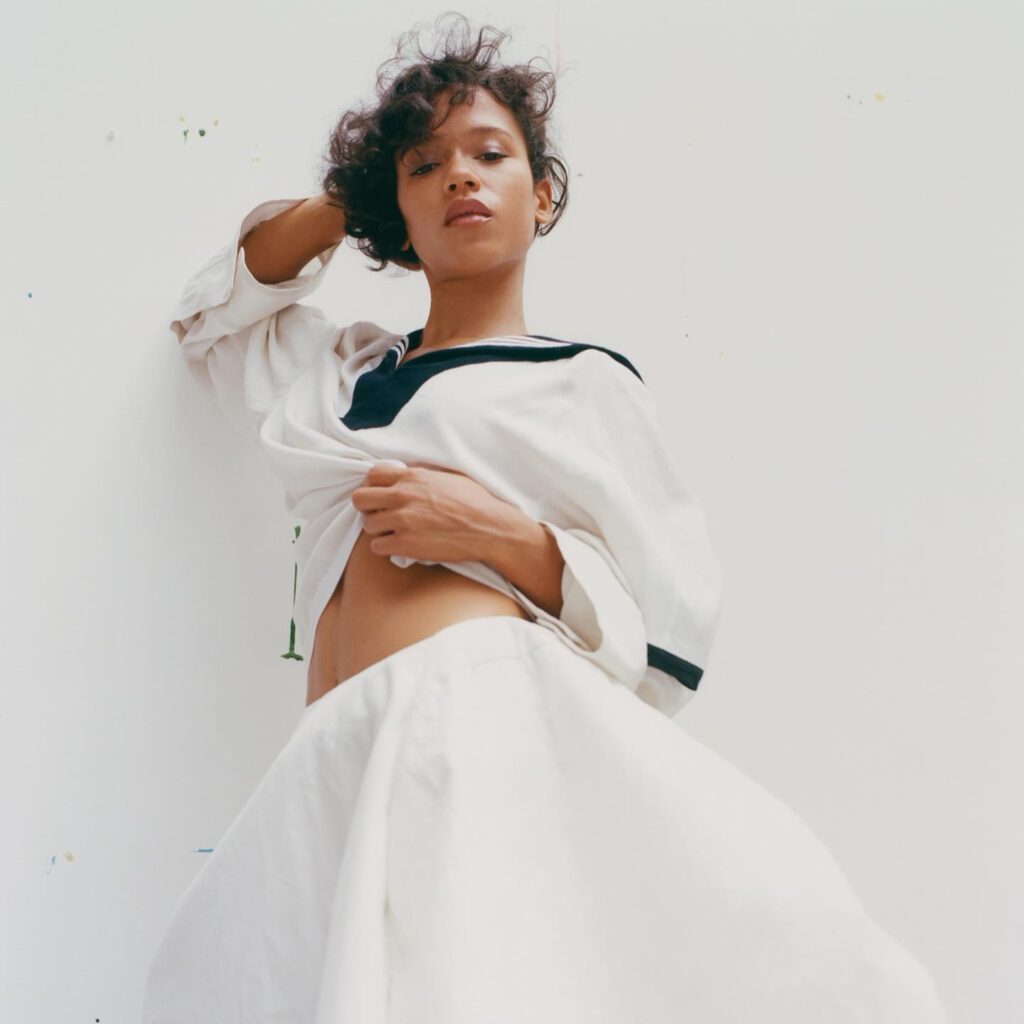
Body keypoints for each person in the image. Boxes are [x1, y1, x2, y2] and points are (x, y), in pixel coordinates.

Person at [141, 14, 949, 1023]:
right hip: (338, 757)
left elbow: (672, 627)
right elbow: (209, 317)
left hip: (471, 726)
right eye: (424, 166)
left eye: (491, 154)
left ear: (543, 192)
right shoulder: (339, 373)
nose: (459, 179)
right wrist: (347, 197)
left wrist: (490, 532)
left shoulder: (581, 386)